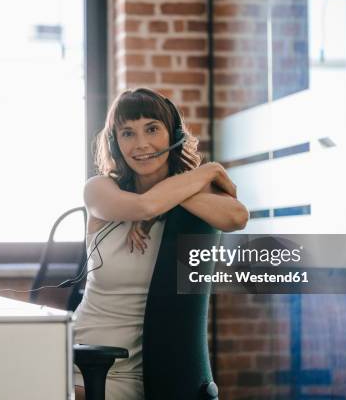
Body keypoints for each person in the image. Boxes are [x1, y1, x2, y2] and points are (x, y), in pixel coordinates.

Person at [74, 88, 249, 400]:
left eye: (152, 129)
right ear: (116, 143)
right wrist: (209, 171)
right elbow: (144, 207)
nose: (141, 144)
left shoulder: (187, 201)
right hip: (78, 358)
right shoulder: (100, 190)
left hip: (133, 375)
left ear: (174, 135)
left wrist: (188, 182)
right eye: (127, 133)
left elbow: (237, 216)